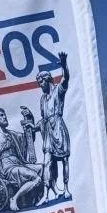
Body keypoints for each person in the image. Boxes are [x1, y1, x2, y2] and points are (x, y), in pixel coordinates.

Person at [0, 107, 44, 210]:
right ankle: (14, 199)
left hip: (18, 163)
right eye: (1, 115)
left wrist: (30, 119)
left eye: (5, 115)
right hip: (6, 167)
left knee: (43, 168)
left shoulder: (11, 134)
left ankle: (42, 198)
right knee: (36, 178)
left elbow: (29, 139)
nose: (5, 117)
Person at [36, 51, 71, 200]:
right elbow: (43, 119)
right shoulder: (43, 99)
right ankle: (46, 195)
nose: (40, 86)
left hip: (59, 127)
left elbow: (66, 78)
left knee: (64, 160)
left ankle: (66, 188)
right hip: (49, 132)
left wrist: (64, 64)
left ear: (47, 80)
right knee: (47, 162)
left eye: (41, 82)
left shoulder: (58, 90)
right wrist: (34, 127)